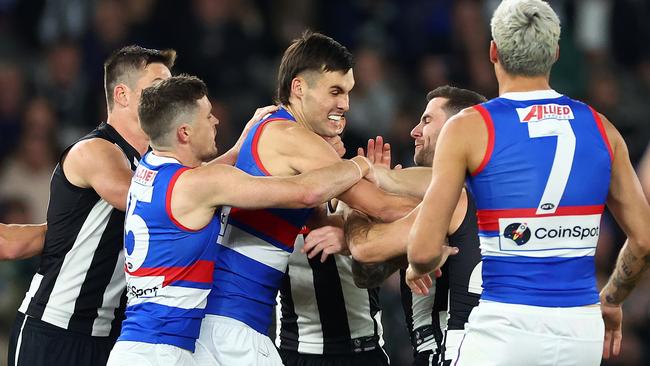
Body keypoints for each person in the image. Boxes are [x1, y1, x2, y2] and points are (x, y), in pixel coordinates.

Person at [405, 1, 650, 365]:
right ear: (555, 53)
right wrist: (611, 298)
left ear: (493, 51)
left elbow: (423, 252)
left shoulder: (470, 127)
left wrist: (417, 267)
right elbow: (644, 239)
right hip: (581, 331)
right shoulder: (603, 129)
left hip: (505, 327)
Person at [4, 45, 273, 366]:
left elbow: (179, 191)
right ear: (122, 95)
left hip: (111, 335)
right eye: (158, 86)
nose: (169, 96)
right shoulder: (95, 150)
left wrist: (239, 150)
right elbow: (141, 197)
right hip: (55, 330)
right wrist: (236, 155)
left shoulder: (157, 167)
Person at [106, 75, 373, 365]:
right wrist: (358, 165)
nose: (216, 121)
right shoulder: (201, 185)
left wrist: (235, 152)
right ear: (184, 133)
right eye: (207, 116)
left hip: (136, 347)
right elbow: (305, 192)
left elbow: (200, 180)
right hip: (164, 352)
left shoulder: (149, 170)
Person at [194, 31, 418, 366]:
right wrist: (455, 213)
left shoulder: (267, 128)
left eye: (348, 92)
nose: (344, 104)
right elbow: (382, 206)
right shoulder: (290, 135)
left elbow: (321, 219)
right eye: (335, 91)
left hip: (228, 322)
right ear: (299, 88)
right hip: (236, 330)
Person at [314, 86, 486, 366]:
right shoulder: (441, 194)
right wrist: (371, 209)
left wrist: (356, 203)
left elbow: (366, 249)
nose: (414, 131)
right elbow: (367, 274)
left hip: (459, 350)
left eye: (428, 121)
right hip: (434, 352)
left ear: (459, 128)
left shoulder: (458, 195)